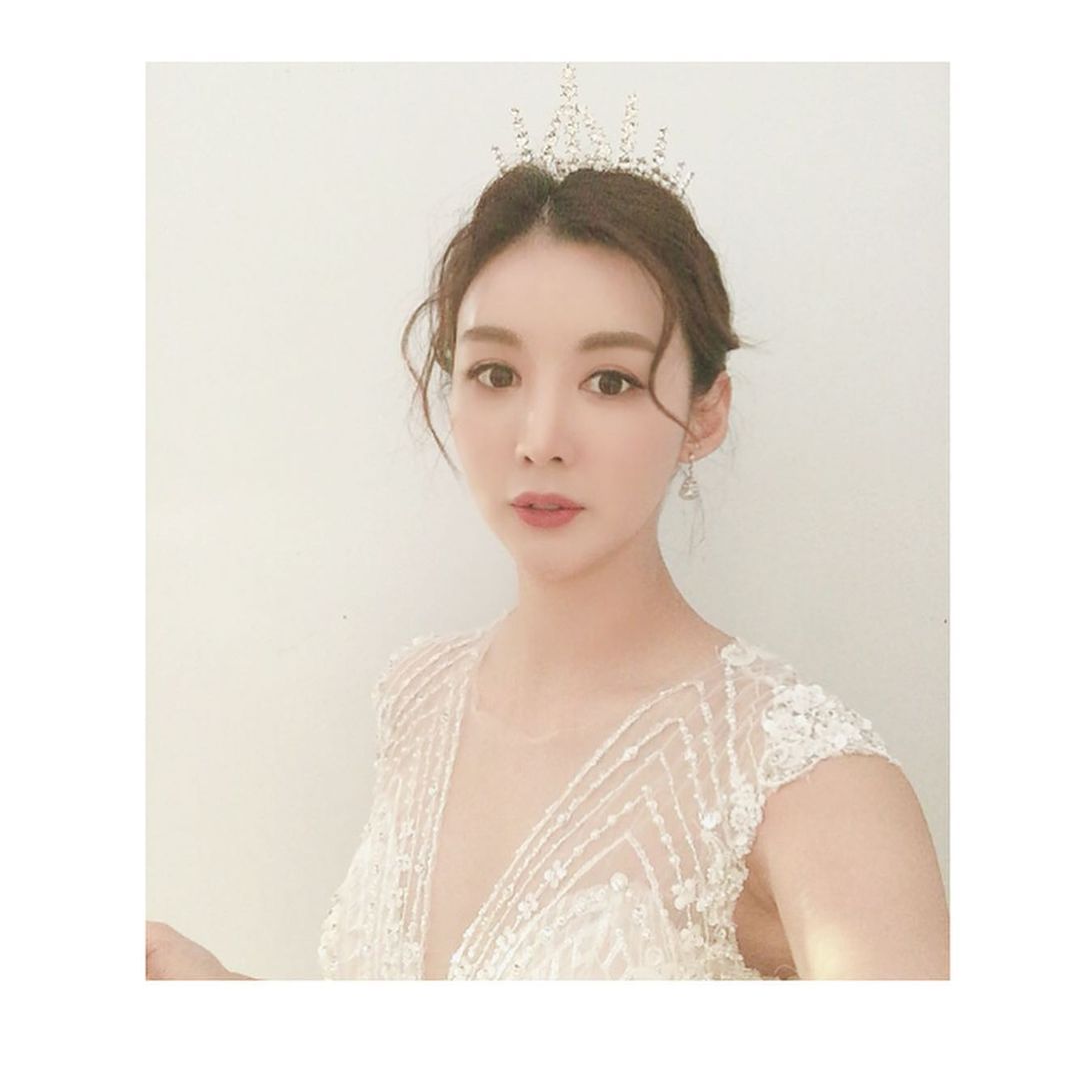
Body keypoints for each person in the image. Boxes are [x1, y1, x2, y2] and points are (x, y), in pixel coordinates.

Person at [147, 65, 948, 981]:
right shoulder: (418, 698)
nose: (540, 440)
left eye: (609, 381)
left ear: (705, 413)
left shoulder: (800, 777)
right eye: (496, 374)